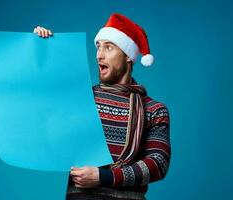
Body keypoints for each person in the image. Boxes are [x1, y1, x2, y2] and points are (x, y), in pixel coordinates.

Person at [33, 13, 171, 200]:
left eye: (109, 47)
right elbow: (43, 115)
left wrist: (105, 177)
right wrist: (42, 50)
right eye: (98, 46)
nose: (99, 54)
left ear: (128, 56)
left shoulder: (154, 110)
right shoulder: (80, 100)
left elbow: (158, 163)